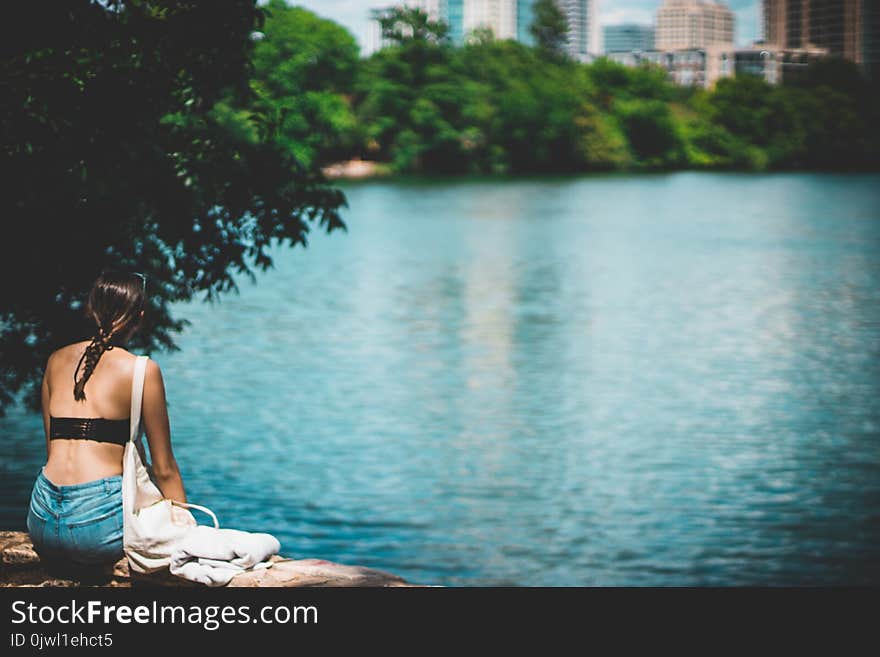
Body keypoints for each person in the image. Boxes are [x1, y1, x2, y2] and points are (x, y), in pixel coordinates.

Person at [27, 270, 187, 578]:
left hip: (42, 520)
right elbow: (164, 468)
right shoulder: (142, 370)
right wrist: (185, 529)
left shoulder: (55, 360)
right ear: (140, 316)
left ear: (90, 309)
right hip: (94, 529)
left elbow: (52, 451)